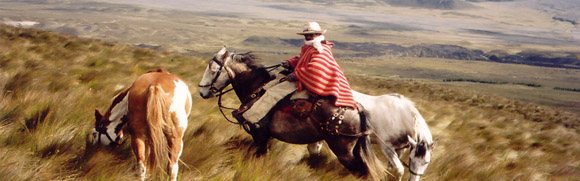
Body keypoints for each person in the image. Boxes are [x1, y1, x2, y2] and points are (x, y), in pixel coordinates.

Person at [235, 22, 356, 131]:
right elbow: (302, 59)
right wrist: (290, 62)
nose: (307, 37)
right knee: (268, 86)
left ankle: (255, 119)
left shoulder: (320, 49)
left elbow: (315, 68)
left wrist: (295, 74)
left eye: (310, 35)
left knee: (273, 93)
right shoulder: (312, 47)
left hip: (308, 81)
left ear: (318, 34)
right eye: (306, 35)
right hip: (304, 77)